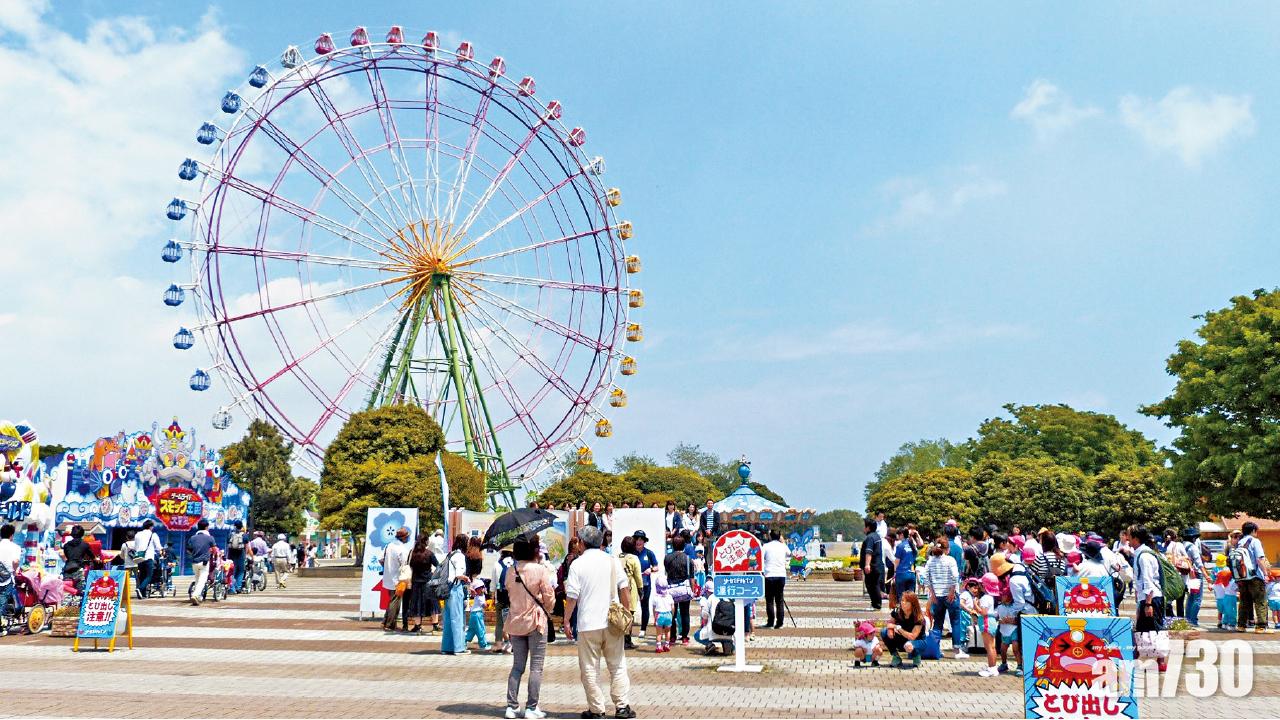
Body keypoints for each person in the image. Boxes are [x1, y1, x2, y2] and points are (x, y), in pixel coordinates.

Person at [563, 526, 635, 719]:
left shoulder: (577, 565)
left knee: (589, 667)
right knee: (617, 664)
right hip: (612, 622)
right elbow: (625, 590)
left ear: (582, 543)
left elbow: (572, 597)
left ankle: (597, 709)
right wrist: (627, 615)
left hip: (588, 623)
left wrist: (567, 620)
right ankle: (622, 707)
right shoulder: (612, 561)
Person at [504, 535, 555, 720]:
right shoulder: (540, 570)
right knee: (536, 667)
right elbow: (549, 597)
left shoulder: (511, 571)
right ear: (534, 549)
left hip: (515, 622)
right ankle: (532, 707)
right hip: (536, 621)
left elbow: (508, 591)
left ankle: (511, 706)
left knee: (517, 666)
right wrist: (547, 608)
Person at [1129, 525, 1169, 671]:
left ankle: (1157, 661)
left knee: (1153, 629)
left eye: (1129, 536)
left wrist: (1148, 604)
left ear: (1136, 538)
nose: (1127, 539)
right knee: (1148, 629)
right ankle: (1158, 661)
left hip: (1151, 598)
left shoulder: (1144, 556)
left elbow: (1148, 581)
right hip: (1149, 598)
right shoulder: (1143, 553)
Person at [922, 537, 965, 659]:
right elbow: (955, 576)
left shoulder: (930, 561)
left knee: (938, 623)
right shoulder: (950, 560)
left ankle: (937, 648)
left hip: (937, 596)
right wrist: (952, 591)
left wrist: (932, 594)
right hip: (950, 595)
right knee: (955, 621)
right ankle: (957, 650)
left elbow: (925, 578)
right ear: (947, 549)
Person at [1236, 521, 1273, 633]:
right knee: (1260, 601)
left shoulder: (1240, 542)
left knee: (1244, 601)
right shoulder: (1255, 541)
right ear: (1253, 531)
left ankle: (1241, 625)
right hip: (1255, 576)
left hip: (1242, 576)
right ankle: (1261, 626)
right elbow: (1259, 559)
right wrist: (1265, 573)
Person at [441, 534, 471, 655]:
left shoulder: (450, 554)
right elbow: (459, 574)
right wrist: (467, 579)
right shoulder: (460, 556)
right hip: (455, 587)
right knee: (458, 618)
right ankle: (459, 648)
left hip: (447, 588)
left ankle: (447, 647)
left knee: (448, 619)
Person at [880, 590, 925, 668]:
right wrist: (890, 630)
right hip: (902, 638)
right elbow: (890, 623)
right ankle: (896, 657)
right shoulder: (897, 611)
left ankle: (916, 655)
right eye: (902, 600)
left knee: (908, 645)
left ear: (913, 604)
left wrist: (899, 629)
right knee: (884, 632)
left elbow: (912, 636)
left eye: (907, 601)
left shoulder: (919, 617)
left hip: (917, 641)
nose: (903, 603)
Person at [664, 535, 694, 644]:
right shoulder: (688, 559)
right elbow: (691, 577)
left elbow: (667, 572)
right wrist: (693, 590)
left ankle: (672, 636)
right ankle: (685, 637)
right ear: (684, 545)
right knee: (685, 613)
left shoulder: (667, 558)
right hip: (684, 588)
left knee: (672, 613)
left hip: (671, 588)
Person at [405, 533, 437, 634]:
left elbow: (409, 565)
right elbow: (438, 565)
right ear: (426, 542)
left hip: (416, 582)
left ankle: (418, 626)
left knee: (417, 604)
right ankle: (435, 626)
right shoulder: (429, 553)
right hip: (428, 581)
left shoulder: (412, 553)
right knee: (432, 603)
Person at [381, 527, 412, 632]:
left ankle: (385, 621)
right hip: (397, 579)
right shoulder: (402, 549)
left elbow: (381, 560)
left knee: (391, 600)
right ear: (403, 538)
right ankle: (390, 625)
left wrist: (388, 567)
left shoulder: (389, 546)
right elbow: (405, 564)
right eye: (407, 537)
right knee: (395, 602)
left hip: (388, 577)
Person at [631, 531, 657, 640]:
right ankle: (628, 630)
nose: (639, 541)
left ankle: (643, 629)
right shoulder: (631, 553)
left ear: (644, 541)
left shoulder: (649, 553)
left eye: (641, 539)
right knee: (630, 606)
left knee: (644, 606)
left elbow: (656, 567)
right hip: (632, 584)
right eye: (637, 539)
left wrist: (650, 569)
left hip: (646, 583)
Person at [619, 536, 643, 649]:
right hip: (630, 588)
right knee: (629, 614)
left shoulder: (617, 557)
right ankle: (627, 640)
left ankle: (619, 639)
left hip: (618, 588)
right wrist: (641, 589)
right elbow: (638, 576)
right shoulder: (634, 558)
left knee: (619, 614)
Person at [761, 530, 789, 629]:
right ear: (779, 536)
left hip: (769, 575)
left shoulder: (765, 546)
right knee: (779, 600)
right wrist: (783, 542)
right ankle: (780, 622)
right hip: (781, 575)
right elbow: (790, 554)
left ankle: (770, 622)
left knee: (769, 600)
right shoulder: (783, 546)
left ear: (770, 536)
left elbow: (760, 558)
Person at [186, 519, 217, 606]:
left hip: (194, 562)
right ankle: (195, 595)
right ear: (206, 527)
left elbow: (188, 550)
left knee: (197, 579)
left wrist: (194, 554)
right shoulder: (210, 538)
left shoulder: (192, 538)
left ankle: (199, 597)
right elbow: (214, 550)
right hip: (204, 562)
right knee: (202, 580)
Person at [1180, 527, 1207, 627]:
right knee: (1197, 598)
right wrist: (1206, 576)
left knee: (1191, 597)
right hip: (1196, 574)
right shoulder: (1193, 547)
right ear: (1193, 538)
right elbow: (1199, 563)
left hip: (1187, 574)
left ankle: (1188, 619)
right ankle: (1193, 620)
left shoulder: (1182, 546)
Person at [492, 549, 515, 653]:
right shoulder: (516, 563)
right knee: (513, 620)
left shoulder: (497, 564)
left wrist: (493, 596)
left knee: (500, 622)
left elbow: (493, 583)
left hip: (500, 596)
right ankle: (512, 643)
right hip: (513, 597)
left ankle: (498, 644)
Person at [61, 525, 96, 591]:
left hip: (67, 569)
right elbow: (92, 557)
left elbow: (67, 556)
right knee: (79, 591)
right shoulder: (85, 545)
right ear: (82, 534)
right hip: (78, 570)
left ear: (72, 534)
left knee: (67, 591)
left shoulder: (66, 545)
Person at [132, 520, 162, 597]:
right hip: (148, 557)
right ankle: (140, 588)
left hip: (139, 558)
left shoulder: (138, 534)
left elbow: (135, 547)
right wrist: (162, 550)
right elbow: (158, 547)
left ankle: (142, 594)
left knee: (142, 576)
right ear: (150, 527)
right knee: (149, 576)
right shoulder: (153, 535)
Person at [860, 519, 884, 610]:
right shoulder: (877, 536)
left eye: (865, 526)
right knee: (874, 585)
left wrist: (867, 565)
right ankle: (876, 604)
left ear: (868, 528)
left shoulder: (870, 537)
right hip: (877, 565)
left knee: (871, 585)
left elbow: (869, 552)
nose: (864, 528)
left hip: (872, 566)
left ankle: (876, 605)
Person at [893, 526, 920, 599]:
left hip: (902, 574)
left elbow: (897, 561)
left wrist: (895, 572)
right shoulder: (912, 545)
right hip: (911, 574)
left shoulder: (900, 546)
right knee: (911, 598)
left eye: (898, 534)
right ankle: (911, 610)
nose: (897, 536)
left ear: (901, 534)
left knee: (901, 598)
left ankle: (902, 610)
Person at [464, 579, 491, 650]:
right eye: (480, 588)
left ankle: (463, 641)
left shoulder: (478, 595)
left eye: (483, 587)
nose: (482, 589)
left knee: (471, 630)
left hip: (473, 614)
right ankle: (483, 645)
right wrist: (487, 604)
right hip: (478, 614)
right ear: (476, 590)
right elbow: (484, 605)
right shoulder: (480, 597)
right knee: (481, 629)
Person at [650, 578, 674, 653]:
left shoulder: (655, 597)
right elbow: (673, 607)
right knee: (668, 632)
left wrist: (655, 617)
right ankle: (667, 645)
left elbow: (654, 608)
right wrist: (672, 615)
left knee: (659, 633)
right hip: (668, 614)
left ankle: (659, 646)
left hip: (659, 614)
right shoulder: (669, 596)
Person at [225, 520, 247, 594]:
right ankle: (238, 587)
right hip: (241, 555)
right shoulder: (244, 535)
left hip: (231, 555)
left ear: (234, 526)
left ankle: (232, 588)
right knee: (241, 571)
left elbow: (228, 545)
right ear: (241, 527)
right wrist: (246, 555)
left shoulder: (230, 534)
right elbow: (246, 547)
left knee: (231, 572)